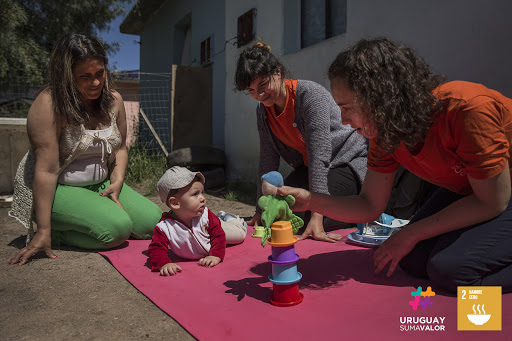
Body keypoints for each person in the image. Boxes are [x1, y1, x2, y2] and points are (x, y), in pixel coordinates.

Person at [278, 37, 512, 293]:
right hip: (474, 188)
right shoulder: (384, 133)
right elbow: (369, 205)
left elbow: (493, 201)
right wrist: (311, 200)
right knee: (410, 260)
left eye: (347, 108)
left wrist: (410, 233)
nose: (343, 120)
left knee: (452, 270)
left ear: (381, 98)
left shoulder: (467, 109)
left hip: (497, 190)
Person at [9, 33, 162, 265]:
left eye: (100, 73)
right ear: (66, 76)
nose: (96, 83)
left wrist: (118, 181)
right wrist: (42, 230)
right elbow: (46, 171)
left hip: (99, 185)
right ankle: (55, 233)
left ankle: (94, 217)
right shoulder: (48, 104)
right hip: (58, 189)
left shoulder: (113, 100)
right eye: (85, 77)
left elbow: (120, 148)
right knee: (117, 230)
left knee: (154, 222)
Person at [235, 42, 368, 243]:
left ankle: (348, 214)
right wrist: (259, 210)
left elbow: (319, 155)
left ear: (277, 72)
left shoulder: (309, 96)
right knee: (277, 211)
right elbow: (267, 162)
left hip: (346, 162)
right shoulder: (263, 112)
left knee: (305, 220)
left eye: (262, 85)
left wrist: (317, 215)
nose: (259, 95)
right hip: (312, 169)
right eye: (251, 90)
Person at [147, 166, 247, 276]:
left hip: (215, 227)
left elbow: (218, 235)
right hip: (206, 235)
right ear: (175, 203)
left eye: (202, 192)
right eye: (195, 194)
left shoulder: (206, 216)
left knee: (240, 234)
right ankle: (222, 217)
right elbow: (156, 248)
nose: (203, 198)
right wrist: (163, 264)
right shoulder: (164, 228)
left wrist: (215, 255)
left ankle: (229, 218)